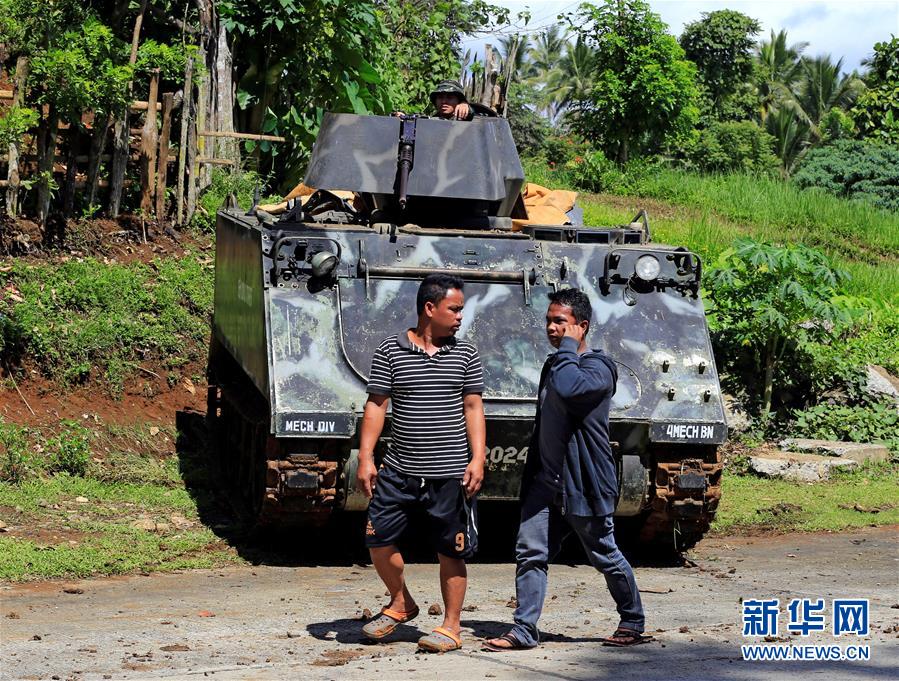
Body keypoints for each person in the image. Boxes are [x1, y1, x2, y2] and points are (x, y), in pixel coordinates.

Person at [484, 288, 648, 651]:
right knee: (531, 553)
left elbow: (569, 389)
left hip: (584, 480)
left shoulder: (599, 368)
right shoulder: (557, 362)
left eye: (560, 322)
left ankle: (633, 618)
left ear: (581, 326)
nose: (552, 328)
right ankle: (524, 629)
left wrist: (568, 351)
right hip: (546, 481)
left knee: (603, 551)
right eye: (549, 321)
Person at [357, 273, 486, 653]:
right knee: (377, 539)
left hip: (449, 474)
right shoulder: (390, 351)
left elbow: (474, 407)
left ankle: (451, 626)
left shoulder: (466, 354)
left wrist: (478, 458)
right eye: (455, 308)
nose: (461, 316)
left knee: (452, 550)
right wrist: (366, 458)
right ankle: (401, 602)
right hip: (399, 470)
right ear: (430, 308)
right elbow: (376, 405)